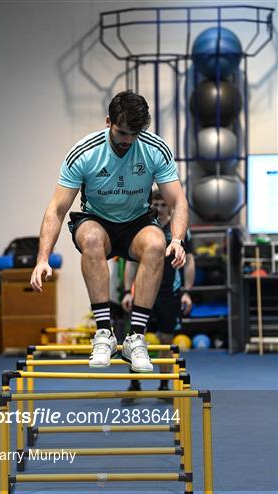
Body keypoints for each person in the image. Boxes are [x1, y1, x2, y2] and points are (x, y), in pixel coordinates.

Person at [30, 90, 189, 372]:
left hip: (136, 222)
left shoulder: (155, 149)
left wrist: (176, 239)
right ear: (108, 122)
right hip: (96, 220)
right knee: (91, 238)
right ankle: (104, 333)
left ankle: (135, 338)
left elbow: (177, 201)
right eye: (122, 132)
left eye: (134, 134)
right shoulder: (85, 152)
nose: (127, 140)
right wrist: (43, 258)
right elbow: (56, 209)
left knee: (156, 242)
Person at [121, 189, 195, 403]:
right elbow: (131, 262)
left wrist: (187, 293)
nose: (159, 208)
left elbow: (189, 262)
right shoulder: (140, 228)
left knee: (165, 339)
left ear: (169, 207)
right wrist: (128, 291)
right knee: (135, 337)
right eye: (156, 204)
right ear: (150, 205)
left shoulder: (179, 231)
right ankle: (134, 385)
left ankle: (164, 386)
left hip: (169, 292)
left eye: (164, 205)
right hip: (143, 291)